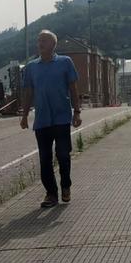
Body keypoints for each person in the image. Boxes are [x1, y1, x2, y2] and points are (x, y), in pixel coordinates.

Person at [21, 30, 82, 208]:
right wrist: (24, 115)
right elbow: (28, 92)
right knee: (44, 159)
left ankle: (65, 186)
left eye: (45, 40)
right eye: (39, 40)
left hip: (62, 118)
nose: (40, 43)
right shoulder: (32, 67)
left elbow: (73, 88)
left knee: (63, 155)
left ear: (53, 44)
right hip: (42, 121)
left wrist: (76, 112)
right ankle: (51, 193)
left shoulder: (65, 62)